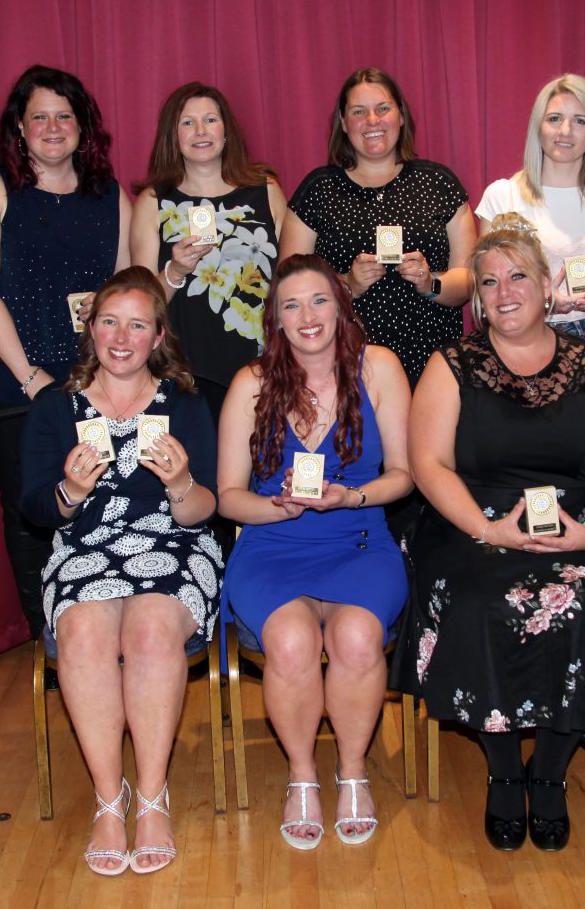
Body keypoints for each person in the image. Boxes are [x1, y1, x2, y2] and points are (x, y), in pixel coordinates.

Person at [396, 214, 585, 852]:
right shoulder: (452, 364)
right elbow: (429, 465)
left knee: (582, 599)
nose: (504, 292)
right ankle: (503, 770)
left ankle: (550, 772)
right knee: (481, 601)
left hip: (575, 527)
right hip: (470, 523)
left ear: (548, 284)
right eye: (489, 281)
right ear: (476, 296)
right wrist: (488, 529)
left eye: (518, 277)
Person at [21, 267, 223, 876]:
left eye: (137, 325)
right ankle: (110, 802)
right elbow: (35, 508)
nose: (121, 337)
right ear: (91, 328)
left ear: (159, 336)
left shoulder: (185, 404)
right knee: (83, 633)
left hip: (174, 543)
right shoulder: (55, 407)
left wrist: (181, 482)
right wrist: (70, 490)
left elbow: (204, 511)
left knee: (152, 632)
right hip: (85, 546)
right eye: (109, 322)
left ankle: (153, 797)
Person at [218, 254, 412, 849]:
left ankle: (352, 772)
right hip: (273, 544)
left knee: (356, 639)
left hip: (360, 538)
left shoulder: (379, 367)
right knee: (292, 641)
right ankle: (302, 776)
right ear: (275, 318)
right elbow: (228, 497)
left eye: (319, 300)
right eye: (292, 305)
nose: (308, 315)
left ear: (341, 305)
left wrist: (351, 496)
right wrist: (278, 506)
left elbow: (404, 475)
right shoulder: (250, 382)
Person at [0, 65, 131, 638]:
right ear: (20, 127)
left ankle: (100, 623)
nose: (53, 128)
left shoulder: (110, 196)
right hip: (12, 382)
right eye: (40, 117)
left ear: (84, 127)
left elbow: (127, 288)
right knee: (31, 507)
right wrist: (31, 378)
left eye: (65, 116)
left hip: (93, 380)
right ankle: (49, 637)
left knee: (102, 498)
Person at [279, 66, 477, 387]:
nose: (372, 120)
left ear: (401, 116)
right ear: (344, 123)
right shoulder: (318, 190)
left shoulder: (439, 184)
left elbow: (468, 280)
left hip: (432, 361)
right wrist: (346, 285)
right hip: (344, 362)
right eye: (359, 111)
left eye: (383, 108)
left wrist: (430, 283)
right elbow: (287, 283)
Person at [130, 82, 287, 422]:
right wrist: (176, 270)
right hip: (186, 374)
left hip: (261, 365)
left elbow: (290, 278)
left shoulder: (266, 190)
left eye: (210, 120)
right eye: (187, 122)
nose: (200, 131)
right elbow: (139, 305)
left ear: (226, 131)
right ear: (173, 135)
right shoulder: (154, 202)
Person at [477, 73, 585, 379]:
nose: (565, 131)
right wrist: (544, 302)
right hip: (522, 338)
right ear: (538, 127)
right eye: (554, 118)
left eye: (580, 120)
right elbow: (483, 286)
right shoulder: (502, 195)